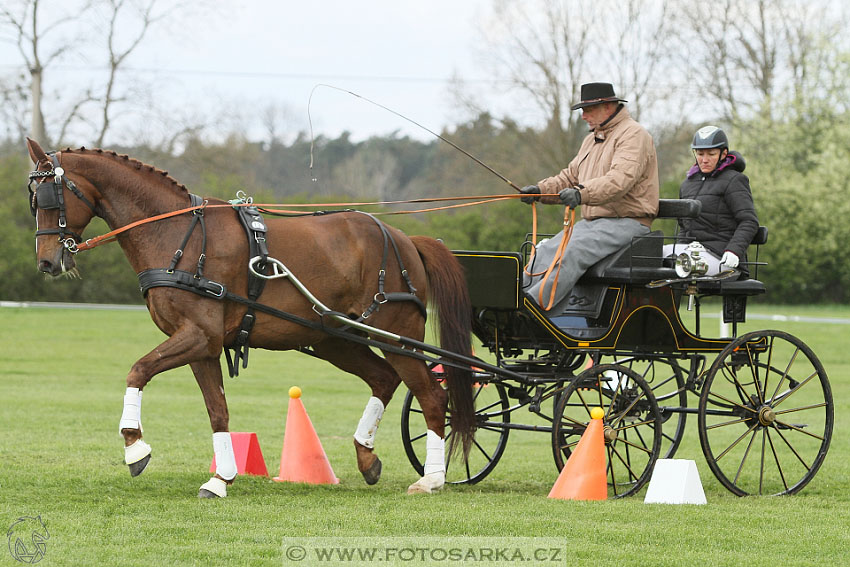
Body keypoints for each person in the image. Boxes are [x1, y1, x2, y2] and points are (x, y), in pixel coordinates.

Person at [520, 82, 659, 310]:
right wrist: (539, 191)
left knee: (573, 252)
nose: (583, 116)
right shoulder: (591, 140)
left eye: (588, 110)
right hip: (594, 224)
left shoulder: (634, 135)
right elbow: (569, 177)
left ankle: (533, 308)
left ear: (608, 106)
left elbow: (619, 180)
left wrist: (581, 194)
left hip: (628, 223)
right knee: (545, 250)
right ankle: (516, 300)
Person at [663, 125, 758, 275]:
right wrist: (679, 248)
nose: (704, 160)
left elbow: (749, 221)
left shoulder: (734, 180)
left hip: (721, 255)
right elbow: (684, 227)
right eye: (700, 154)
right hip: (692, 251)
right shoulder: (687, 184)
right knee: (652, 257)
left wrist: (733, 251)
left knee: (680, 263)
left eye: (711, 154)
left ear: (723, 154)